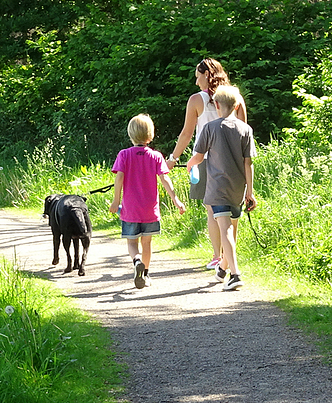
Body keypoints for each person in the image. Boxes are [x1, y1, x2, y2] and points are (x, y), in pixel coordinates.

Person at [166, 58, 247, 270]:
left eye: (198, 76)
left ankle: (217, 255)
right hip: (233, 159)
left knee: (213, 209)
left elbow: (187, 133)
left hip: (205, 158)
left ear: (207, 75)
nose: (196, 82)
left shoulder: (196, 100)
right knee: (231, 209)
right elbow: (243, 128)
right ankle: (229, 257)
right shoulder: (236, 98)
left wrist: (173, 159)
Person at [186, 85, 256, 291]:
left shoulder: (210, 128)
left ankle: (235, 274)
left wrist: (190, 164)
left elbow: (198, 157)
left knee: (225, 230)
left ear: (216, 105)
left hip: (217, 188)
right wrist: (250, 192)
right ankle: (223, 268)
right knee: (232, 230)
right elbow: (248, 163)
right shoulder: (246, 129)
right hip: (238, 189)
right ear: (236, 106)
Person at [110, 114, 186, 289]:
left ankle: (137, 261)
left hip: (130, 210)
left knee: (131, 242)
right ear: (150, 135)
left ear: (131, 134)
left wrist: (115, 201)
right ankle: (146, 274)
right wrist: (176, 199)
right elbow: (165, 179)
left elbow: (119, 179)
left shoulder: (124, 155)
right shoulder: (156, 156)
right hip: (150, 211)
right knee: (147, 243)